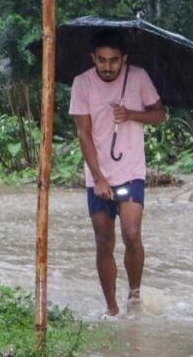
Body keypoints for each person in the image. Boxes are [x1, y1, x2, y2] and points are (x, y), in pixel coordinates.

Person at [69, 31, 165, 316]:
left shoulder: (138, 77)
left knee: (132, 234)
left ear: (124, 59)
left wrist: (131, 114)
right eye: (101, 60)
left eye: (113, 60)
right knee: (104, 242)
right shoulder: (82, 83)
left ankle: (134, 296)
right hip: (98, 176)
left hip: (131, 171)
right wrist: (98, 177)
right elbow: (83, 133)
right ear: (93, 58)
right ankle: (111, 308)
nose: (108, 67)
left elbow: (160, 114)